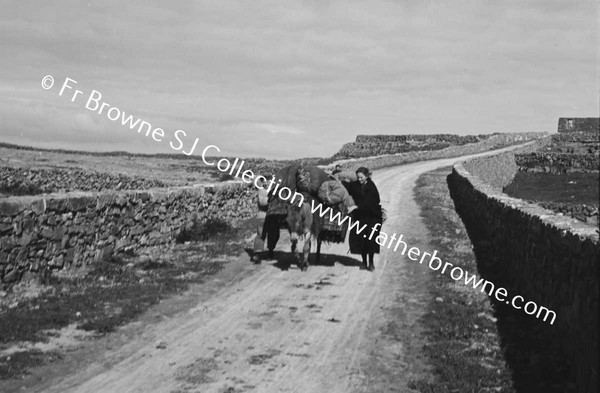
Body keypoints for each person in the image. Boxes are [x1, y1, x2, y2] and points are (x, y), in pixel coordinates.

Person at [345, 167, 382, 271]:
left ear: (366, 176)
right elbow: (347, 188)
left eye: (361, 177)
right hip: (360, 217)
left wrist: (355, 206)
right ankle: (364, 262)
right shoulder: (355, 185)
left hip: (373, 216)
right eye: (358, 177)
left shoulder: (371, 187)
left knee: (370, 239)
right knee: (360, 239)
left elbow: (370, 202)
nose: (359, 179)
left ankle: (371, 262)